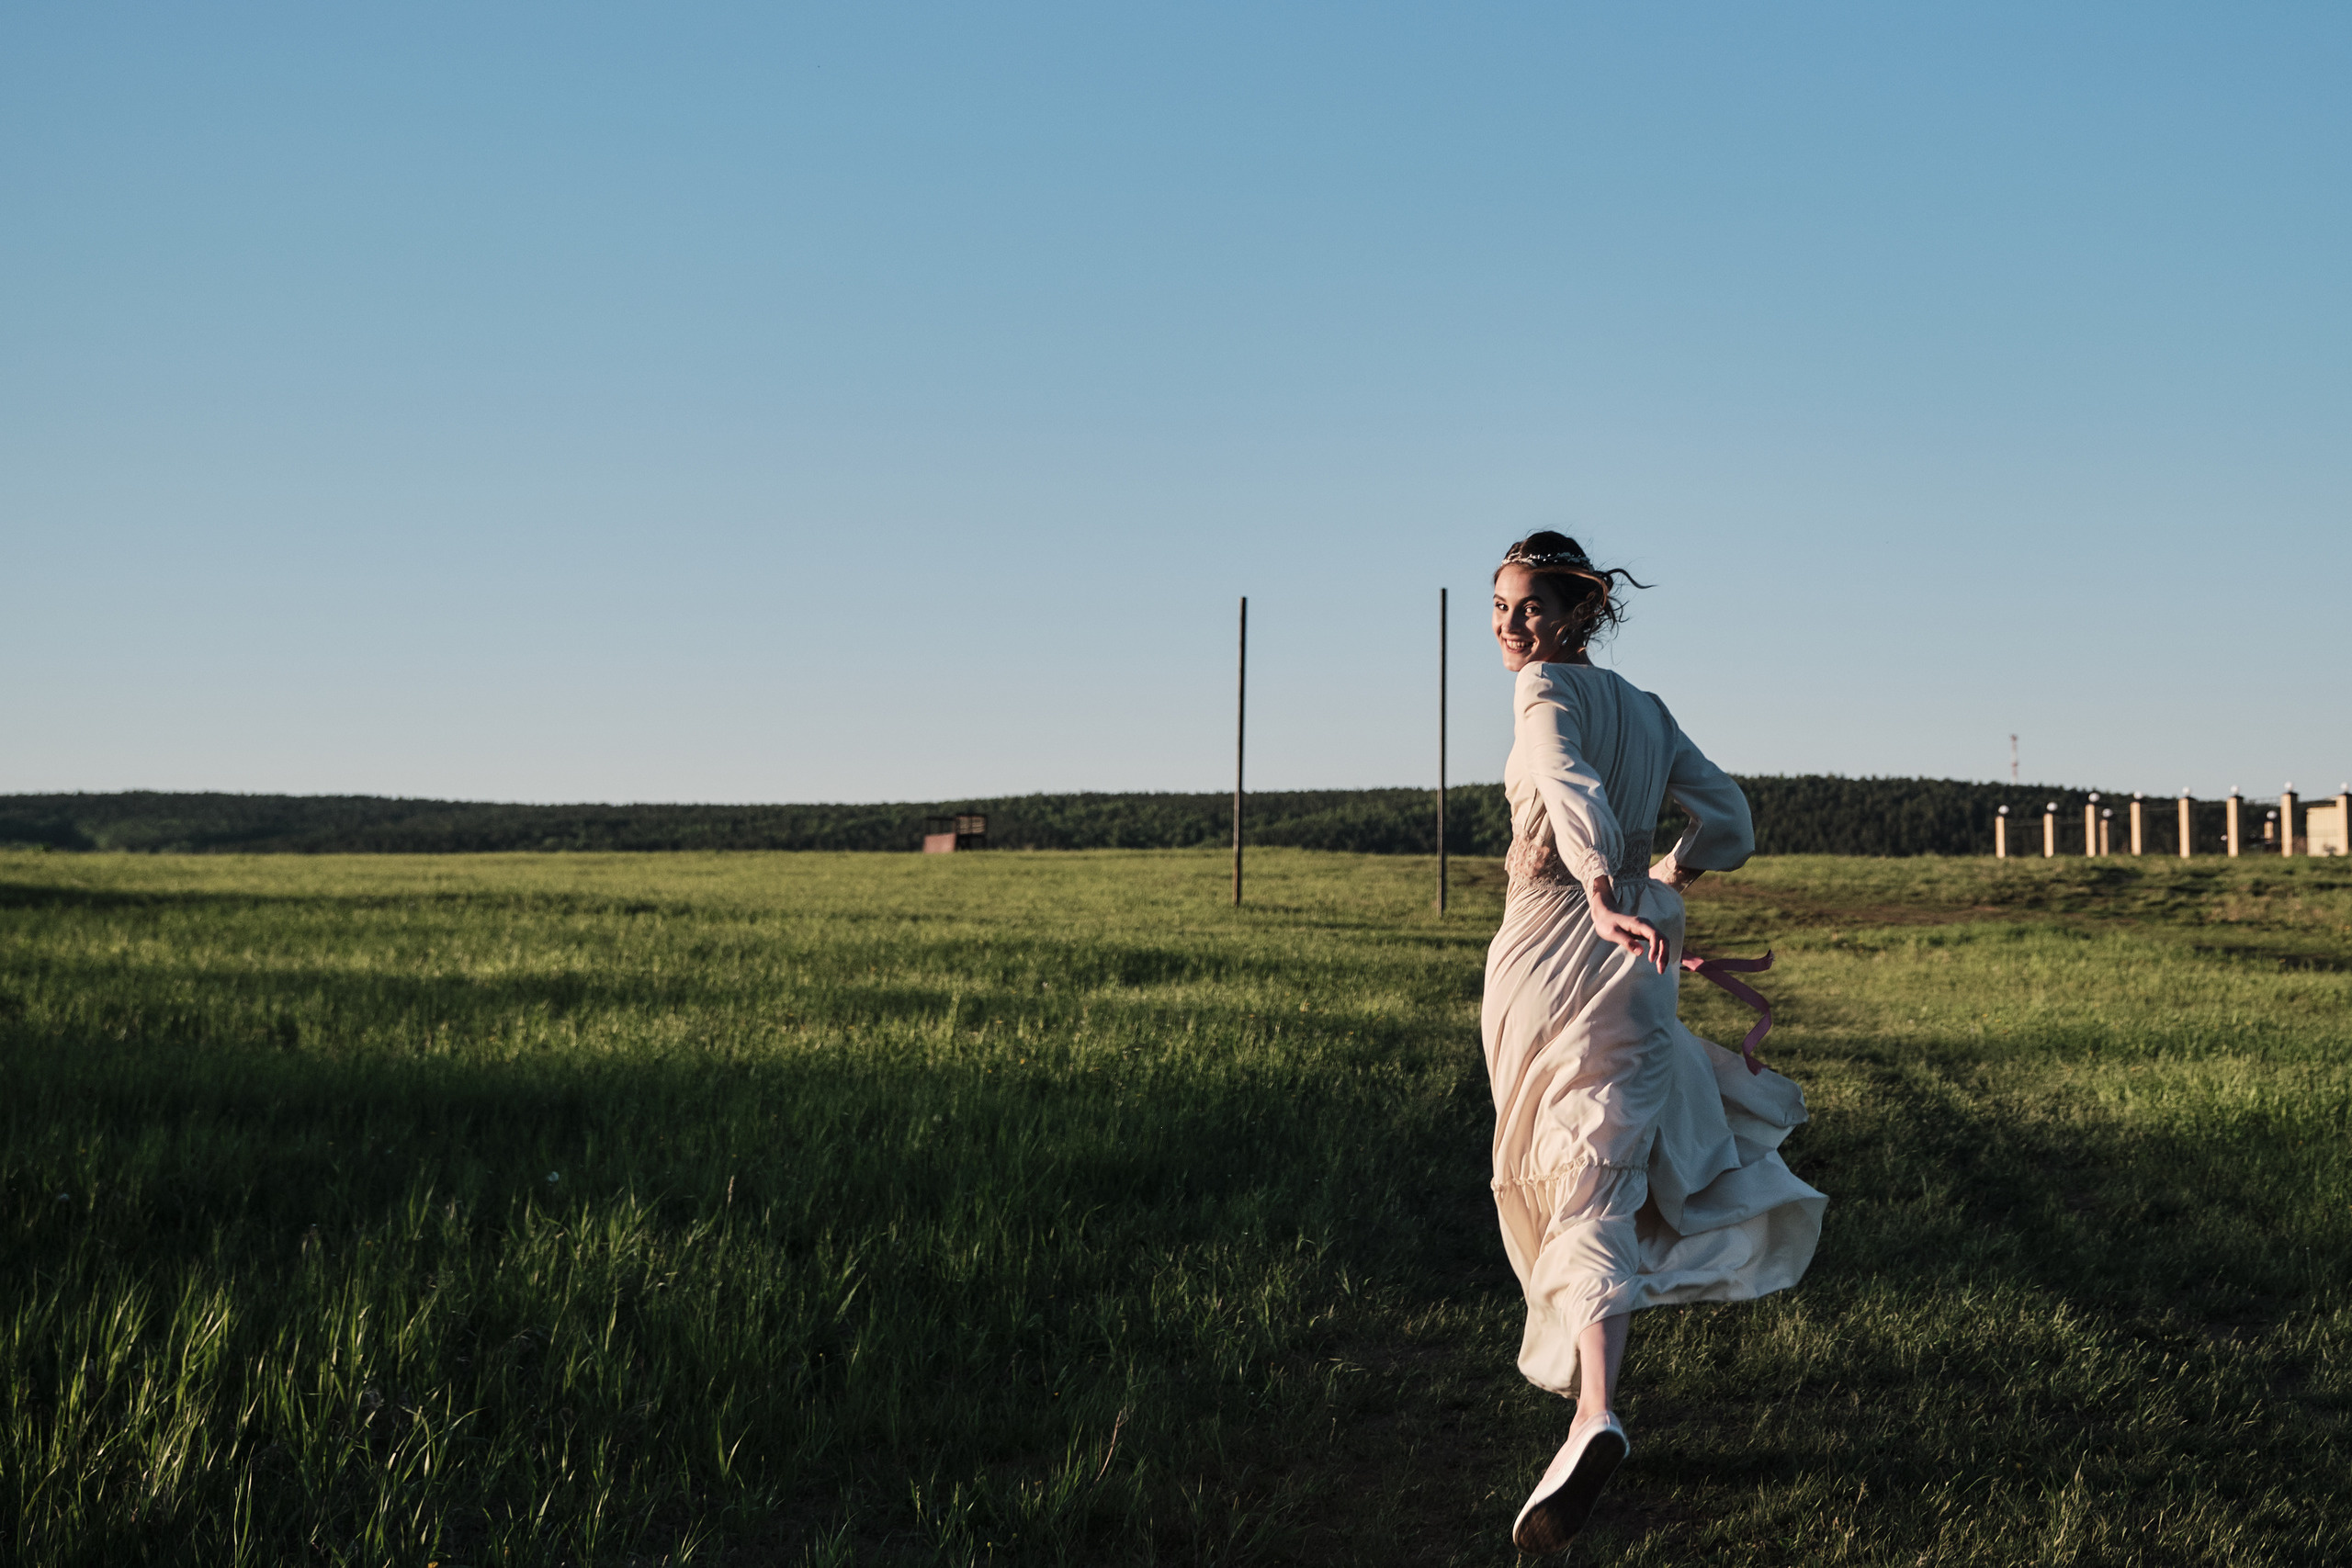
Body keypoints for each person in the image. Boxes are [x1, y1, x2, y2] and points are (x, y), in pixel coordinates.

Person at [1483, 532, 1826, 1553]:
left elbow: (1560, 773)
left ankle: (1595, 1414)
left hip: (1557, 935)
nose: (1510, 628)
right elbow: (1731, 818)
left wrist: (1596, 881)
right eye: (1499, 609)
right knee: (1604, 1158)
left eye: (1529, 608)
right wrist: (1667, 871)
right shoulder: (1647, 707)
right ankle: (1594, 1406)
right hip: (1637, 942)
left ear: (1574, 615)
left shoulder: (1545, 687)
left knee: (1571, 1162)